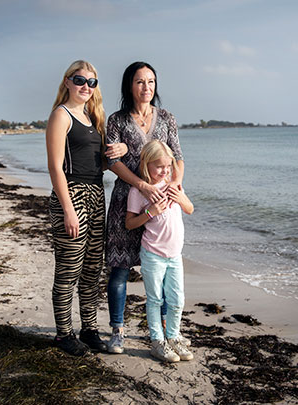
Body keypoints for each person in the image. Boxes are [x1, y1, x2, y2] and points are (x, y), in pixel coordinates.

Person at [105, 61, 187, 354]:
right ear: (129, 85)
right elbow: (112, 161)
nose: (146, 87)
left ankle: (165, 332)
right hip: (127, 200)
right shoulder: (117, 120)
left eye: (151, 81)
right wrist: (142, 185)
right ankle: (117, 330)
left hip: (161, 206)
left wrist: (173, 186)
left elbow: (178, 158)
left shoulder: (166, 118)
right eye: (140, 81)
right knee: (120, 269)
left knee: (163, 269)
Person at [45, 60, 126, 356]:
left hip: (95, 194)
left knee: (92, 269)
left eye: (92, 82)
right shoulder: (61, 115)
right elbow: (55, 167)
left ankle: (89, 330)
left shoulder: (93, 118)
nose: (86, 86)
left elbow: (99, 164)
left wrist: (121, 150)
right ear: (67, 81)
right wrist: (68, 209)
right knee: (69, 269)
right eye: (79, 80)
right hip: (71, 194)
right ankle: (63, 335)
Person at [126, 140, 194, 362]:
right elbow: (129, 223)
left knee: (177, 299)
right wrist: (150, 212)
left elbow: (190, 209)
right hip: (153, 254)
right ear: (146, 165)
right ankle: (157, 341)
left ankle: (173, 337)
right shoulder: (139, 192)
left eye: (168, 166)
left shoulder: (174, 186)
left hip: (175, 255)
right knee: (155, 299)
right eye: (159, 167)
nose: (165, 171)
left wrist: (181, 198)